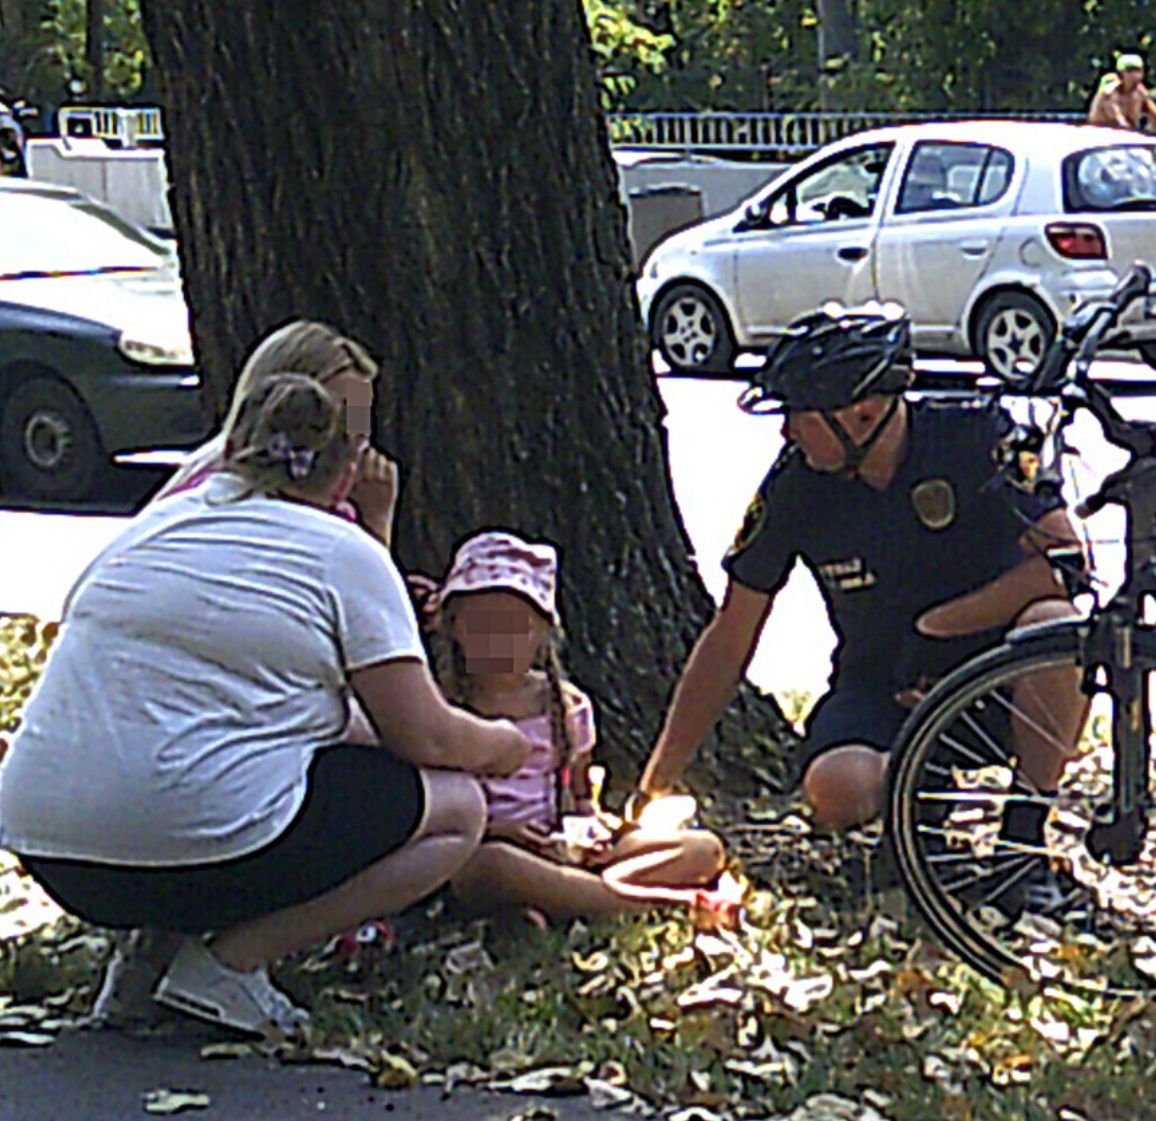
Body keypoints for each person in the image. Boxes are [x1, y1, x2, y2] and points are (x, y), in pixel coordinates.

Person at [0, 374, 530, 1036]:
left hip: (51, 846)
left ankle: (144, 964)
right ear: (344, 476)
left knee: (207, 772)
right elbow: (429, 739)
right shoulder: (344, 554)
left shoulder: (154, 524)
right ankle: (228, 966)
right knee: (457, 809)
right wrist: (505, 743)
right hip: (204, 842)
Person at [638, 307, 1086, 834]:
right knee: (836, 788)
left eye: (801, 416)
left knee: (1055, 627)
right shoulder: (795, 486)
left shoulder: (976, 435)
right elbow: (731, 634)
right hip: (880, 686)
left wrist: (938, 626)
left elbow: (1066, 564)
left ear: (865, 414)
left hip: (993, 673)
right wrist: (659, 780)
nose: (786, 432)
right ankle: (917, 800)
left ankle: (1025, 835)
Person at [423, 532, 725, 921]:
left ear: (542, 633)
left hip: (562, 849)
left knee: (704, 849)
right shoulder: (440, 706)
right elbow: (436, 809)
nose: (500, 641)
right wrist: (499, 832)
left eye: (516, 626)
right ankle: (624, 902)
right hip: (489, 846)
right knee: (487, 869)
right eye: (483, 625)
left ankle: (575, 899)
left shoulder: (566, 707)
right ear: (454, 628)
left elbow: (581, 795)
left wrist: (589, 829)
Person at [153, 319, 399, 548]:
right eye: (339, 415)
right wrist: (377, 521)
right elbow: (359, 587)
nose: (357, 431)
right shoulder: (244, 494)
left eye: (361, 414)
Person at [1087, 52, 1156, 153]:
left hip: (1126, 140)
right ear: (1121, 73)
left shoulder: (1140, 92)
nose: (1134, 75)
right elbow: (1118, 120)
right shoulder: (1110, 91)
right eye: (1129, 71)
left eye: (1138, 70)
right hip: (1101, 141)